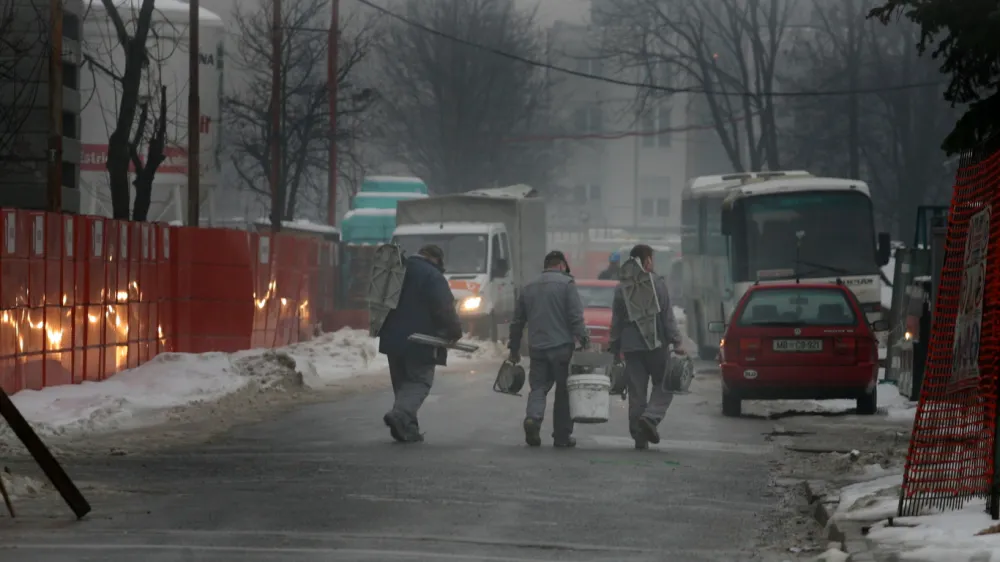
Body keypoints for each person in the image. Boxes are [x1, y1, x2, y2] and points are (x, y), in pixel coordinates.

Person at [378, 244, 463, 443]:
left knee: (402, 385)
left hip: (391, 338)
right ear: (436, 259)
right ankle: (400, 416)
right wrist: (453, 331)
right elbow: (444, 308)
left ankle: (408, 428)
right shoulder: (432, 276)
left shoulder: (396, 269)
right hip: (421, 339)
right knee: (419, 381)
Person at [609, 244, 686, 451]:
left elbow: (616, 321)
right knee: (665, 383)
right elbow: (667, 317)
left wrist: (614, 347)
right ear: (647, 261)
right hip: (656, 346)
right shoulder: (658, 283)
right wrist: (677, 341)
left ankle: (638, 436)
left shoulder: (621, 287)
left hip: (632, 348)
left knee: (636, 391)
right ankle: (651, 418)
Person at [508, 250, 589, 448]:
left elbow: (517, 321)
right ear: (561, 265)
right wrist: (585, 341)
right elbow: (575, 317)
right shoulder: (567, 284)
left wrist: (514, 348)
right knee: (563, 392)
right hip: (562, 348)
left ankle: (533, 419)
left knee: (538, 387)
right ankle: (561, 437)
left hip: (537, 347)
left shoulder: (529, 287)